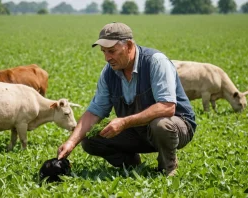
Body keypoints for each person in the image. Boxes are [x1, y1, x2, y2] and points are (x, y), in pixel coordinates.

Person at [57, 22, 196, 176]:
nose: (107, 58)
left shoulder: (155, 62)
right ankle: (132, 165)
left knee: (160, 124)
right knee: (90, 139)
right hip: (137, 129)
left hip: (176, 126)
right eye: (104, 52)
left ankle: (168, 167)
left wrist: (124, 122)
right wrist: (70, 142)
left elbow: (166, 107)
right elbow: (94, 112)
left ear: (129, 46)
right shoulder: (109, 73)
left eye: (112, 51)